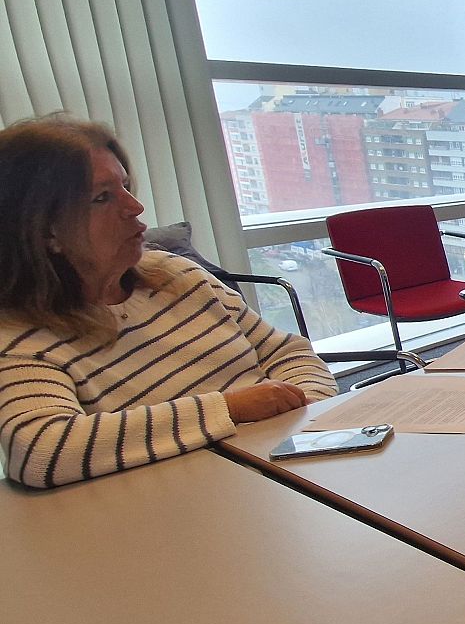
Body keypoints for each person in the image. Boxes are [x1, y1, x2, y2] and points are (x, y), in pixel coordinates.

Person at [0, 117, 336, 489]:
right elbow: (42, 449)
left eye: (125, 186)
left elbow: (289, 355)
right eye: (102, 197)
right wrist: (233, 408)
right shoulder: (20, 338)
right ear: (44, 231)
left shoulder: (176, 273)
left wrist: (308, 427)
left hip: (295, 469)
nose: (135, 207)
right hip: (200, 502)